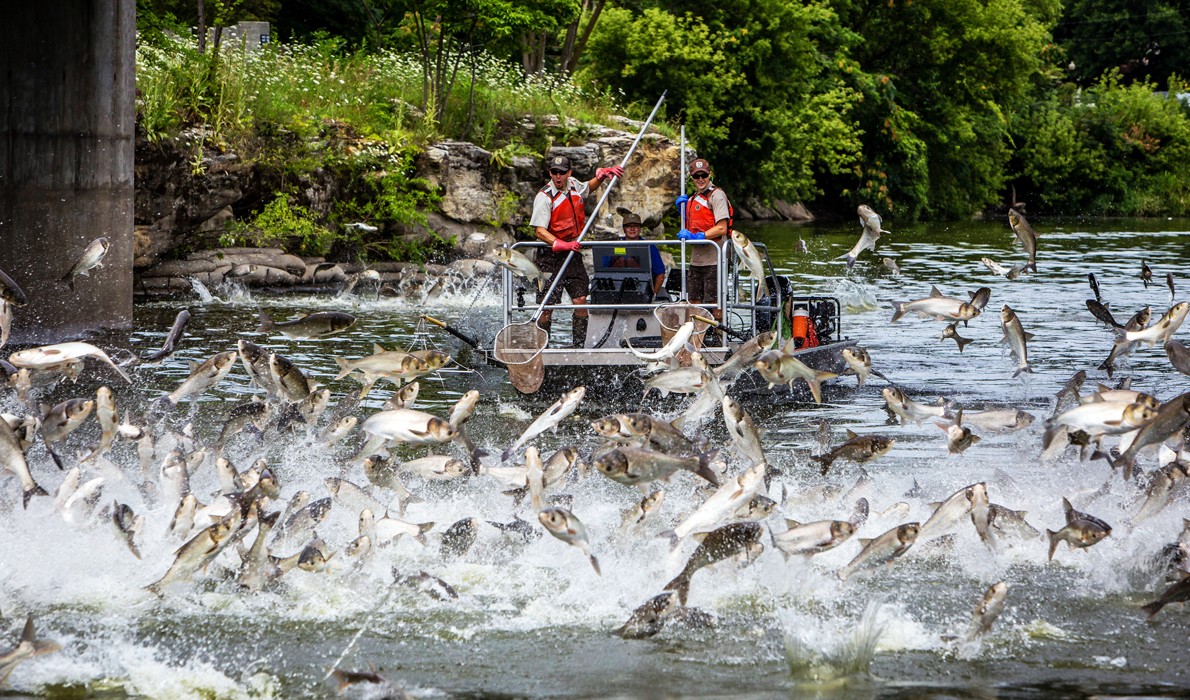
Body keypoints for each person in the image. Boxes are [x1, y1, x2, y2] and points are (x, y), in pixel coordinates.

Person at [529, 154, 623, 347]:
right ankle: (542, 348)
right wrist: (560, 244)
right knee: (547, 306)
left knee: (580, 299)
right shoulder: (544, 197)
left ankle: (578, 346)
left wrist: (602, 177)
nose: (558, 176)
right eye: (554, 172)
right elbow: (539, 231)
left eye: (562, 173)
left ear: (568, 173)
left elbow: (587, 188)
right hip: (550, 256)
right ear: (550, 173)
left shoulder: (572, 184)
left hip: (572, 254)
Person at [674, 158, 733, 338]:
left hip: (715, 259)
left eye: (704, 175)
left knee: (715, 302)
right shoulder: (691, 199)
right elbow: (692, 223)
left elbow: (722, 227)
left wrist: (699, 236)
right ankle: (697, 338)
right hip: (696, 261)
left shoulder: (716, 195)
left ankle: (717, 338)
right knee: (694, 301)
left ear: (710, 174)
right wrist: (682, 211)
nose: (701, 179)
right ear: (691, 178)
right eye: (696, 176)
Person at [621, 211, 666, 300]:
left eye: (635, 226)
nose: (632, 229)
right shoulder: (614, 244)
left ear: (640, 228)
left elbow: (660, 274)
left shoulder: (650, 246)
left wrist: (653, 295)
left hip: (642, 289)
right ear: (624, 229)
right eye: (629, 226)